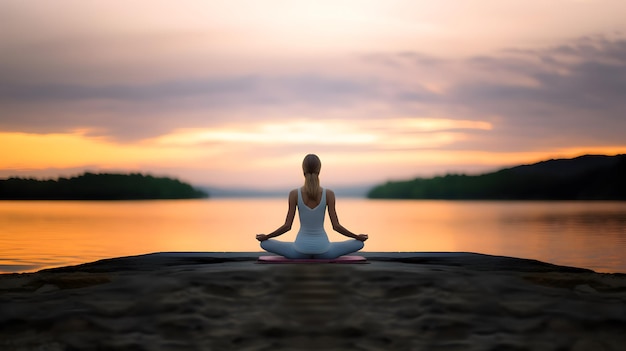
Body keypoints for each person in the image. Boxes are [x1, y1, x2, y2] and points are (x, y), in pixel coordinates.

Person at [256, 154, 368, 259]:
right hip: (324, 251)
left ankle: (296, 246)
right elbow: (336, 226)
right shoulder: (328, 194)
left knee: (264, 244)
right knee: (359, 244)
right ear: (319, 170)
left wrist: (266, 237)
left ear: (303, 171)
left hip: (299, 251)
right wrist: (357, 237)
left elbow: (287, 226)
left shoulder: (294, 194)